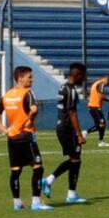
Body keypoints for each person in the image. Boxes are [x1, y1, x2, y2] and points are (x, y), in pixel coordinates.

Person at [0, 66, 50, 211]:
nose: (32, 79)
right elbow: (34, 110)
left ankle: (17, 203)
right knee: (38, 169)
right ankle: (36, 202)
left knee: (15, 171)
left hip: (12, 138)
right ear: (20, 78)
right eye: (29, 77)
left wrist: (5, 130)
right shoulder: (27, 93)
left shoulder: (7, 95)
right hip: (26, 136)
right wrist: (30, 120)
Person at [42, 63, 89, 204]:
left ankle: (71, 193)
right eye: (84, 75)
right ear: (78, 74)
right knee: (75, 159)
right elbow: (72, 113)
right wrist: (79, 134)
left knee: (76, 159)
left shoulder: (63, 87)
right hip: (67, 128)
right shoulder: (70, 90)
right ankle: (49, 181)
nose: (85, 78)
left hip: (63, 127)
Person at [86, 74, 109, 147]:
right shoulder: (101, 84)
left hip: (91, 106)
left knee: (99, 125)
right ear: (106, 80)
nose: (107, 85)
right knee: (102, 124)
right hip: (95, 107)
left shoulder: (95, 83)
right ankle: (100, 141)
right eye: (108, 83)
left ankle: (86, 133)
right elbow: (100, 95)